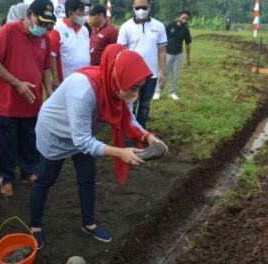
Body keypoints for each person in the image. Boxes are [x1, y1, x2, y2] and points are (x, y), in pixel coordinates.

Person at [30, 44, 166, 249]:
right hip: (55, 133)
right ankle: (35, 227)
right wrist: (119, 152)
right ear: (119, 76)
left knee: (88, 179)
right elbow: (82, 141)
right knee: (46, 180)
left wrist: (148, 137)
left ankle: (89, 223)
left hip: (84, 133)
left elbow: (128, 118)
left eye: (140, 87)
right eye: (135, 87)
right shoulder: (83, 90)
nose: (136, 93)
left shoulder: (120, 86)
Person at [0, 0, 55, 197]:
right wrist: (17, 83)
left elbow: (44, 68)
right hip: (7, 101)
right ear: (29, 15)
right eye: (41, 23)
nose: (43, 28)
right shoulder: (8, 32)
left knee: (29, 138)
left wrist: (49, 90)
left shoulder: (45, 37)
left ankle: (28, 172)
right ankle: (6, 178)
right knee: (6, 142)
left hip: (32, 101)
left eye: (47, 24)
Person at [117, 0, 167, 128]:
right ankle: (130, 131)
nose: (141, 10)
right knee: (131, 105)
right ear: (133, 7)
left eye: (144, 7)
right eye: (138, 7)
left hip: (151, 74)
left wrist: (163, 72)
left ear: (149, 7)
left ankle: (141, 131)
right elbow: (120, 53)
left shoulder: (159, 26)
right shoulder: (126, 27)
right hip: (132, 76)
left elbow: (162, 51)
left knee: (145, 105)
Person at [49, 0, 90, 90]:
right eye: (81, 10)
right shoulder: (57, 29)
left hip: (85, 80)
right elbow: (52, 56)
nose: (84, 13)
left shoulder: (85, 30)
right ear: (71, 13)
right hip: (66, 82)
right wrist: (55, 78)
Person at [153, 10, 191, 101]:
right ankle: (157, 92)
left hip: (179, 54)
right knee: (163, 73)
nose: (185, 20)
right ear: (179, 17)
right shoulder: (170, 26)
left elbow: (188, 44)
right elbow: (162, 39)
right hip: (167, 53)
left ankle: (172, 92)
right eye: (183, 18)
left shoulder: (186, 30)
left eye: (186, 19)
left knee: (175, 74)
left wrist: (188, 57)